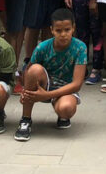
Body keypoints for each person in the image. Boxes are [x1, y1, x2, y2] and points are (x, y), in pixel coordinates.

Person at [14, 8, 88, 140]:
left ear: (73, 28)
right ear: (52, 30)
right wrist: (25, 91)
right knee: (35, 69)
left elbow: (77, 84)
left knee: (66, 108)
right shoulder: (42, 47)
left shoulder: (80, 47)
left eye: (67, 30)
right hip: (45, 84)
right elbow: (29, 71)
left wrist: (48, 95)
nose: (63, 34)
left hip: (66, 88)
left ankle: (62, 114)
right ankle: (25, 119)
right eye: (58, 30)